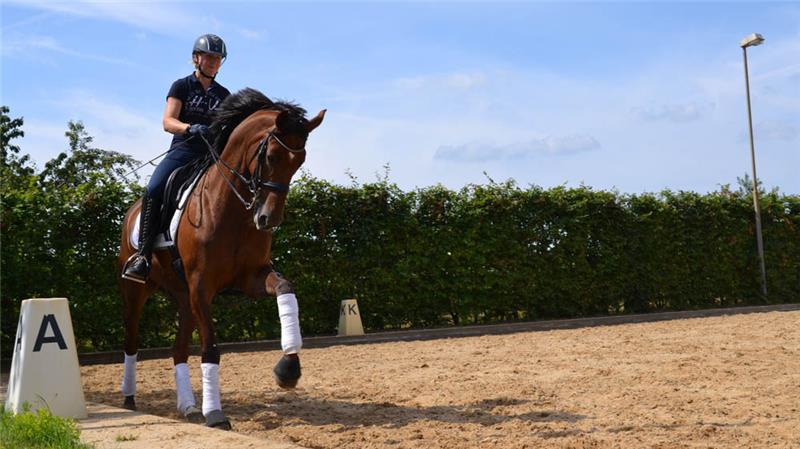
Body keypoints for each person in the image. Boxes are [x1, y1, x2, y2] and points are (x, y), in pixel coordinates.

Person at [122, 34, 231, 283]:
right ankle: (143, 256)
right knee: (154, 188)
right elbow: (168, 121)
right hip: (184, 150)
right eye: (209, 57)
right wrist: (189, 128)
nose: (214, 62)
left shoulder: (225, 95)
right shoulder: (181, 86)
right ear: (196, 58)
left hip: (211, 156)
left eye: (218, 58)